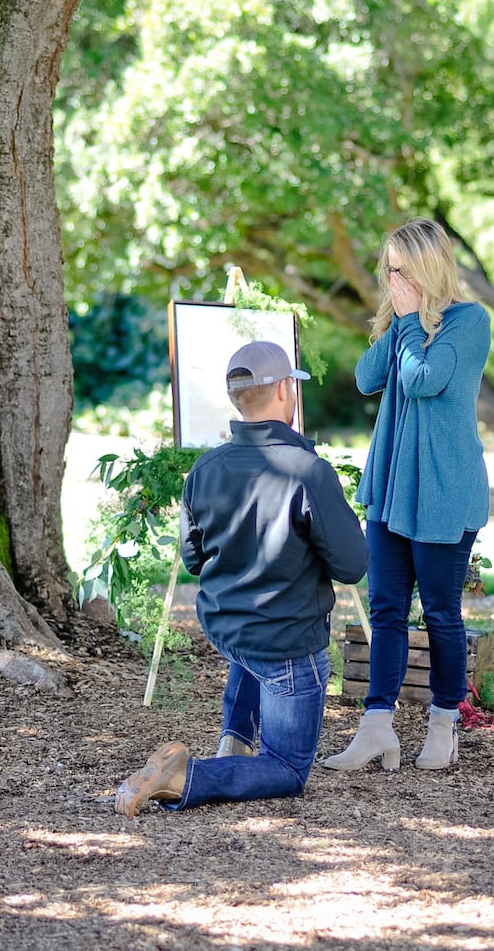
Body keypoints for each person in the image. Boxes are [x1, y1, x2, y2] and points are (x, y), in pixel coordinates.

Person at [115, 340, 369, 816]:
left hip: (226, 630)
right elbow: (353, 566)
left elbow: (194, 559)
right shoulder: (308, 472)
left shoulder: (205, 469)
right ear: (283, 391)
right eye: (293, 384)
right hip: (287, 646)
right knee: (287, 769)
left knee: (254, 646)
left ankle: (234, 738)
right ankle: (188, 776)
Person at [323, 219, 490, 773]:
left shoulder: (469, 323)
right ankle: (376, 728)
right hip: (394, 490)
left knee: (441, 612)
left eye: (400, 269)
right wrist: (397, 322)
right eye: (388, 269)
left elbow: (424, 380)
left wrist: (413, 323)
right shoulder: (402, 327)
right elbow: (366, 377)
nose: (391, 278)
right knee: (386, 608)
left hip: (445, 491)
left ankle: (444, 723)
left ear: (426, 267)